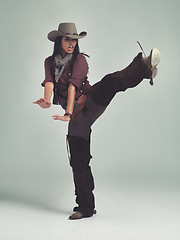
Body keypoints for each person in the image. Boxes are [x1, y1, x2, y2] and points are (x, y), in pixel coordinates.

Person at [33, 22, 161, 220]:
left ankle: (144, 66)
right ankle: (86, 207)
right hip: (77, 117)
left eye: (74, 40)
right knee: (78, 160)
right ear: (59, 40)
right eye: (67, 39)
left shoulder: (80, 61)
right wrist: (47, 101)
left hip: (90, 101)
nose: (72, 43)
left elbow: (73, 88)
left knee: (109, 82)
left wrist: (67, 113)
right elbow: (49, 82)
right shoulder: (49, 62)